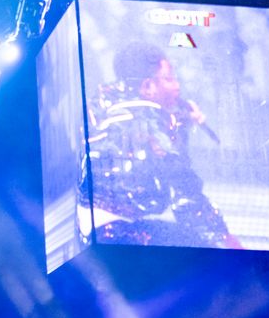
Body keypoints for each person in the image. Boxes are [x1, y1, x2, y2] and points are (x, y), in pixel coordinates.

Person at [81, 42, 240, 248]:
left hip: (91, 229)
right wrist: (227, 243)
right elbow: (185, 195)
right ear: (147, 86)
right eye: (169, 79)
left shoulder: (104, 106)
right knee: (195, 248)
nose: (177, 86)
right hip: (117, 232)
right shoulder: (149, 119)